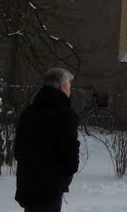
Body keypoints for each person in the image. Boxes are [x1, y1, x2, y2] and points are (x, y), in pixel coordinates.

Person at [14, 68, 80, 212]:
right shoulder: (65, 116)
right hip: (50, 189)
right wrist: (64, 177)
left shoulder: (28, 112)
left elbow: (18, 150)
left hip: (28, 185)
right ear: (62, 88)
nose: (70, 91)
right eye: (69, 86)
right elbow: (71, 158)